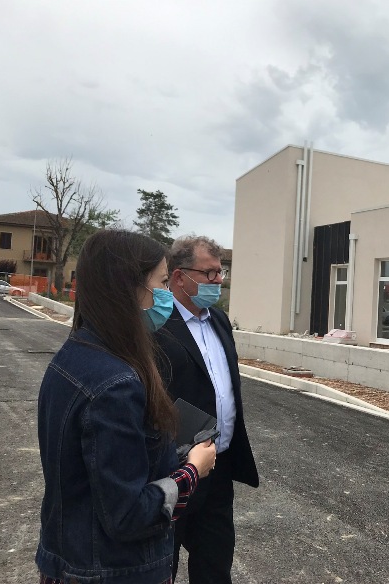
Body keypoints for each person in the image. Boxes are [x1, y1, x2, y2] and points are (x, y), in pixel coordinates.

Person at [36, 230, 217, 584]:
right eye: (162, 283)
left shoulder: (72, 357)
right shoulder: (115, 384)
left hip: (68, 559)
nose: (167, 296)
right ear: (130, 289)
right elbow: (128, 514)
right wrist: (193, 469)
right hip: (112, 570)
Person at [154, 235, 259, 584]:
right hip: (173, 468)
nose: (218, 281)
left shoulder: (219, 320)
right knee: (162, 565)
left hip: (218, 468)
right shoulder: (157, 325)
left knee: (215, 565)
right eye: (209, 273)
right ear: (179, 277)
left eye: (220, 272)